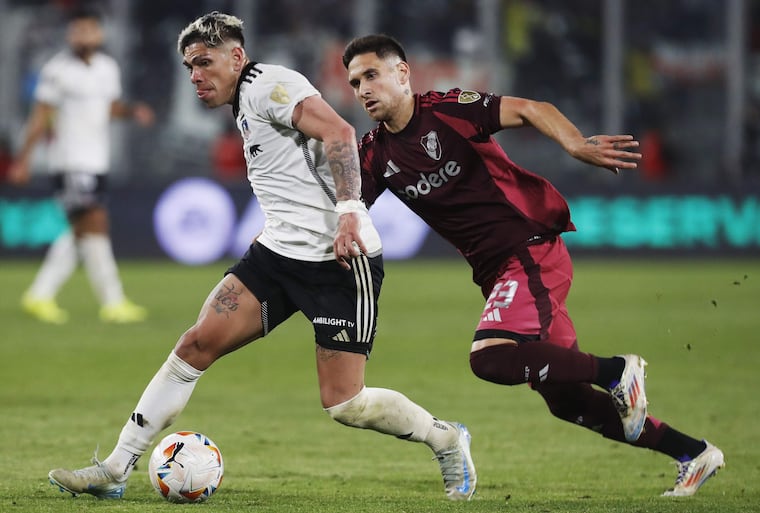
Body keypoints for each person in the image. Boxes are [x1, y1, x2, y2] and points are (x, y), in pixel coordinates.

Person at [47, 12, 476, 501]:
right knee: (195, 345)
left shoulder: (269, 86)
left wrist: (351, 212)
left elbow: (338, 132)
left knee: (345, 403)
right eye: (189, 67)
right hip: (276, 253)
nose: (195, 77)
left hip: (338, 260)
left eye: (204, 63)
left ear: (236, 57)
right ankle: (116, 468)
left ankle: (445, 437)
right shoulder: (244, 101)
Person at [342, 34, 724, 497]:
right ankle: (693, 452)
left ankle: (617, 370)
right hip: (497, 272)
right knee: (567, 399)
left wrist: (577, 144)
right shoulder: (374, 154)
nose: (363, 89)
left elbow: (529, 108)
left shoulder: (447, 109)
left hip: (530, 249)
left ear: (403, 73)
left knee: (489, 357)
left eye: (372, 75)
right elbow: (347, 209)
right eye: (355, 82)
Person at [8, 6, 154, 324]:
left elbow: (110, 107)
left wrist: (132, 112)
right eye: (77, 30)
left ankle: (39, 294)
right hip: (71, 161)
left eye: (89, 29)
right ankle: (113, 302)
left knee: (80, 231)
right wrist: (23, 159)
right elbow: (40, 116)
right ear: (69, 34)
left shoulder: (107, 67)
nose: (83, 35)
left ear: (99, 33)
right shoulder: (57, 70)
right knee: (95, 224)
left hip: (96, 159)